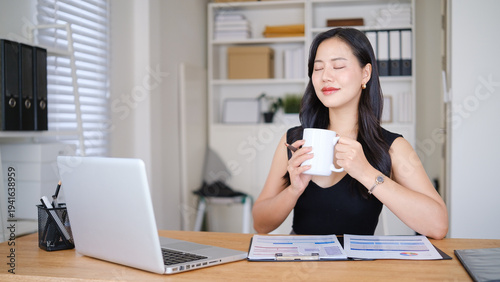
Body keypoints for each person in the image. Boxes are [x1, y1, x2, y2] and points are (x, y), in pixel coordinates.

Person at [252, 28, 448, 239]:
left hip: (359, 268)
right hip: (301, 264)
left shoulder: (391, 147)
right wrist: (293, 190)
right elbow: (260, 224)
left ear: (365, 73)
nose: (326, 76)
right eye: (318, 68)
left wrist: (366, 172)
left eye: (338, 66)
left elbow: (437, 226)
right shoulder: (294, 141)